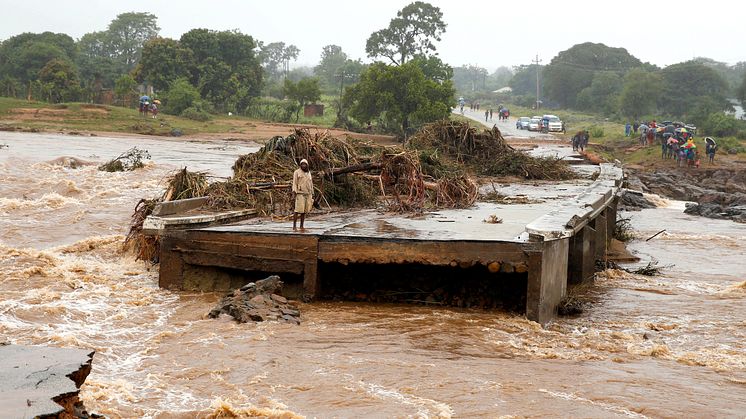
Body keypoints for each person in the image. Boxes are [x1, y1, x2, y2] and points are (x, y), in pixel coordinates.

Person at [292, 159, 313, 231]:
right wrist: (294, 192)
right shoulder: (297, 172)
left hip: (307, 193)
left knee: (304, 211)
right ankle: (294, 226)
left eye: (305, 164)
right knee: (297, 210)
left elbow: (311, 183)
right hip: (300, 193)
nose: (303, 165)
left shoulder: (308, 172)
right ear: (300, 165)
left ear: (307, 165)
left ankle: (301, 226)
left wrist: (312, 193)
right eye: (302, 164)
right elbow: (294, 183)